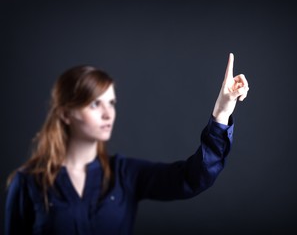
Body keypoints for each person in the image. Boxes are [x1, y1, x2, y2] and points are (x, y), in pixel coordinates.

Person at [5, 53, 249, 235]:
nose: (108, 113)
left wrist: (222, 112)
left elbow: (193, 178)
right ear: (65, 114)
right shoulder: (28, 183)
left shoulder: (124, 175)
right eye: (94, 104)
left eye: (111, 103)